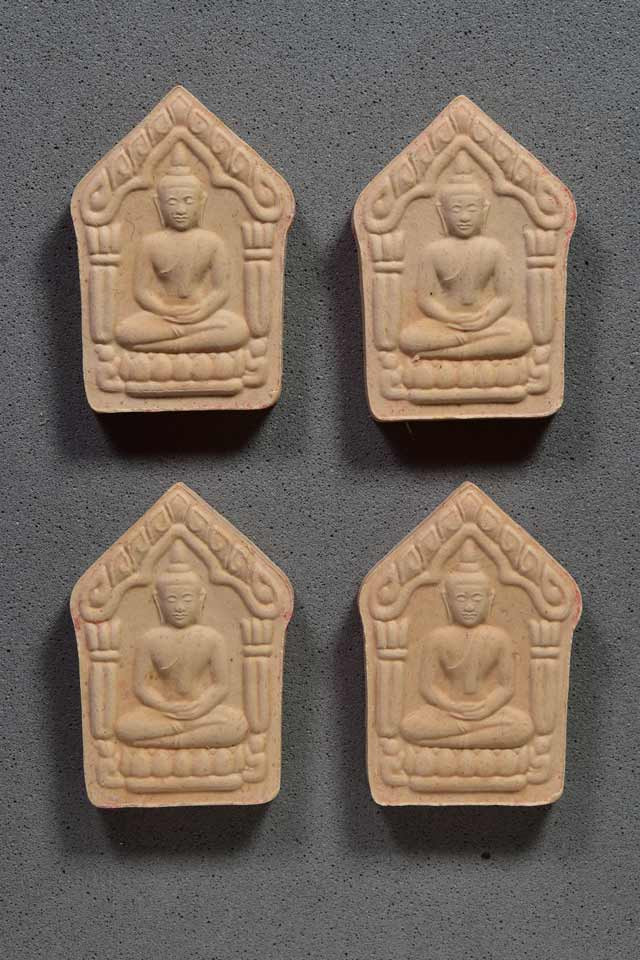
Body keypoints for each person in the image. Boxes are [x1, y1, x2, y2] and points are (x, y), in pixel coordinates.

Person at [115, 142, 249, 353]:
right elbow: (142, 291)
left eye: (187, 201)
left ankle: (173, 344)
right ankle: (185, 340)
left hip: (202, 315)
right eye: (172, 202)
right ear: (159, 204)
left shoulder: (212, 242)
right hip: (163, 317)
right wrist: (164, 310)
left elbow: (221, 290)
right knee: (124, 331)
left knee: (238, 329)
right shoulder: (150, 243)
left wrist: (203, 311)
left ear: (201, 203)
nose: (180, 209)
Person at [399, 151, 532, 360]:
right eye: (456, 209)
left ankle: (446, 351)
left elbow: (504, 297)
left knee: (522, 335)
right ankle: (461, 345)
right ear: (442, 213)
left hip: (485, 324)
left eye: (471, 209)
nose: (464, 217)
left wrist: (485, 319)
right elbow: (425, 299)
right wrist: (449, 318)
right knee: (407, 337)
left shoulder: (494, 248)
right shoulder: (433, 251)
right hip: (445, 325)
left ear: (483, 211)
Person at [401, 539, 533, 749]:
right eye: (461, 598)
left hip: (488, 714)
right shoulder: (437, 638)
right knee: (410, 725)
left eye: (477, 598)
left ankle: (459, 740)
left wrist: (487, 708)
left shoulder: (499, 638)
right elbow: (427, 687)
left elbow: (506, 687)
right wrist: (451, 707)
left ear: (490, 599)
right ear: (447, 600)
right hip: (447, 713)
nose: (469, 606)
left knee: (523, 725)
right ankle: (473, 738)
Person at [115, 541, 247, 749]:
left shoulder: (212, 638)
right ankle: (181, 735)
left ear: (200, 599)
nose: (179, 607)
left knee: (237, 723)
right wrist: (165, 706)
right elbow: (141, 687)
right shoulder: (150, 639)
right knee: (124, 726)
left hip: (202, 712)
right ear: (158, 601)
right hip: (162, 713)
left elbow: (221, 686)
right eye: (171, 600)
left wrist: (201, 707)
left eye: (186, 599)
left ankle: (173, 740)